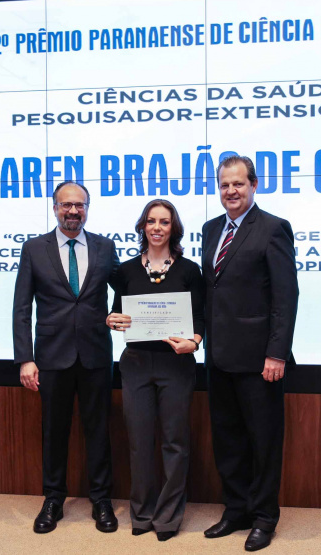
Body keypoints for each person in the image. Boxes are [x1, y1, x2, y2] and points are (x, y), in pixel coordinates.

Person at [201, 156, 298, 552]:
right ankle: (236, 509)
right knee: (228, 440)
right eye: (224, 185)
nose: (231, 191)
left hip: (260, 361)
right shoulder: (210, 230)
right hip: (218, 357)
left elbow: (285, 296)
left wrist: (277, 353)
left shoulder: (273, 228)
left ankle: (264, 517)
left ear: (254, 184)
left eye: (238, 184)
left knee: (263, 441)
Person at [12, 181, 120, 534]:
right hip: (51, 358)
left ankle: (101, 500)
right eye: (66, 205)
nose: (73, 211)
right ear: (55, 207)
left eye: (80, 205)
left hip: (96, 356)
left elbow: (127, 289)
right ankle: (53, 499)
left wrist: (122, 314)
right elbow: (22, 309)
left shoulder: (105, 247)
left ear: (88, 208)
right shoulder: (33, 249)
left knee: (98, 431)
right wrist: (25, 359)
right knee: (54, 432)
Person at [106, 199, 204, 542]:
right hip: (135, 364)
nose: (157, 227)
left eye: (164, 221)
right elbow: (118, 312)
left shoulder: (190, 270)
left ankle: (167, 517)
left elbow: (200, 318)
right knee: (139, 442)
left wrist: (195, 340)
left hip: (176, 363)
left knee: (175, 442)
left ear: (173, 228)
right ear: (143, 227)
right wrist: (111, 320)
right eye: (151, 221)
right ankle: (142, 513)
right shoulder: (126, 270)